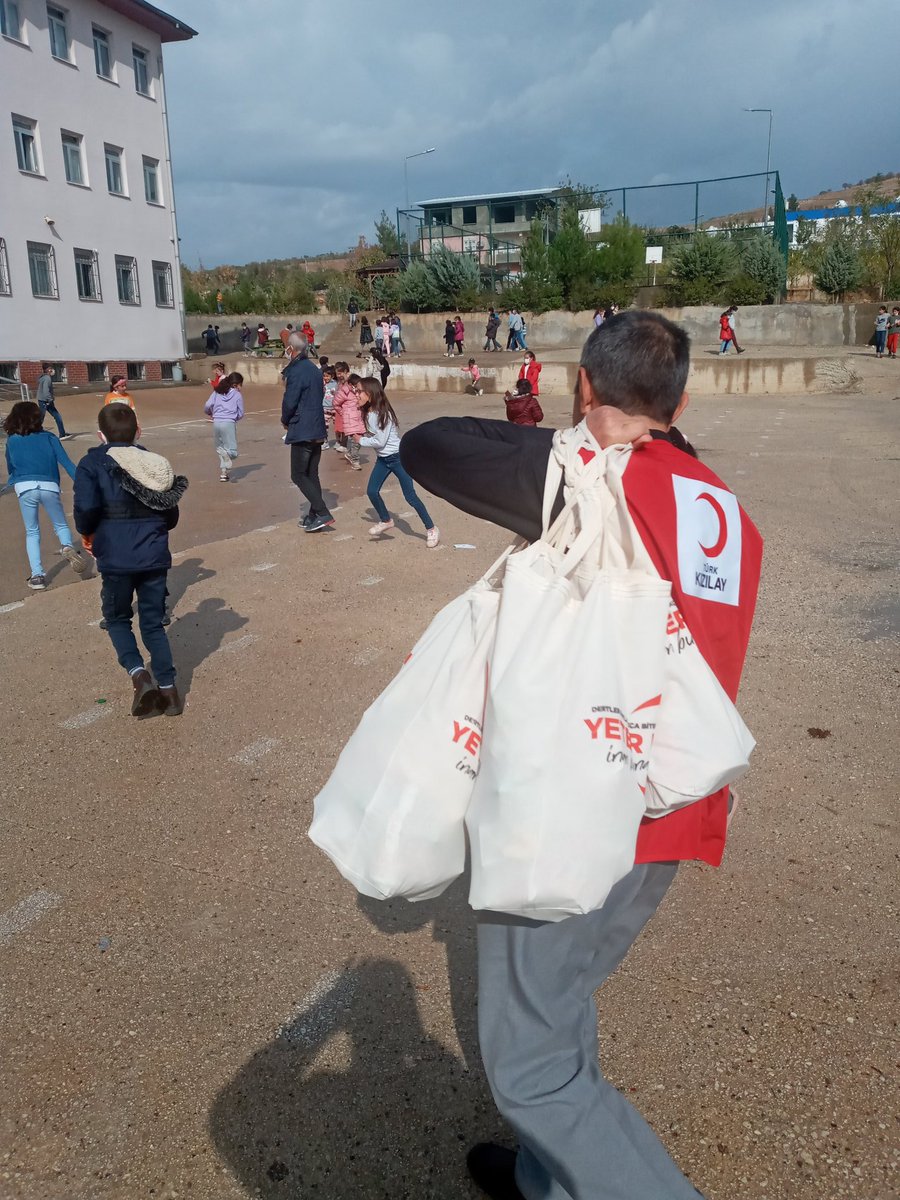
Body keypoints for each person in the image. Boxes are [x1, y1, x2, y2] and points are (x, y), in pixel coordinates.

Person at [399, 310, 763, 1200]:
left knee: (535, 1071)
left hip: (585, 808)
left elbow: (432, 443)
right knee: (563, 1001)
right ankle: (545, 1179)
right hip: (678, 801)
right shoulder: (720, 502)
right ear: (678, 400)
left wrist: (571, 432)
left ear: (586, 387)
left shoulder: (592, 480)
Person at [74, 403, 187, 717]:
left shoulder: (92, 463)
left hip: (115, 556)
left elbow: (86, 508)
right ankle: (170, 691)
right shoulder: (154, 464)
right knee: (152, 624)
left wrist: (87, 533)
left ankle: (139, 675)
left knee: (117, 619)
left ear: (101, 435)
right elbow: (171, 514)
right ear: (138, 431)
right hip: (153, 554)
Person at [3, 400, 87, 591]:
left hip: (24, 486)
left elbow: (10, 466)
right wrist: (83, 483)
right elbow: (66, 463)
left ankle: (37, 575)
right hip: (49, 485)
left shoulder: (13, 440)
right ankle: (67, 545)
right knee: (60, 523)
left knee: (32, 531)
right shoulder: (50, 438)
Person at [354, 377, 439, 548]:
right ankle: (386, 520)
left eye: (359, 391)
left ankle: (431, 528)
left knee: (410, 497)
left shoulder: (382, 414)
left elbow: (380, 441)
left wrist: (360, 440)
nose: (356, 394)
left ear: (369, 394)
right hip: (383, 460)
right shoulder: (369, 412)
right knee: (372, 491)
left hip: (398, 458)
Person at [281, 331, 333, 531]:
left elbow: (290, 401)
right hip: (317, 426)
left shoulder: (296, 370)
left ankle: (322, 511)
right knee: (312, 474)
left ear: (291, 349)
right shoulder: (314, 369)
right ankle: (314, 516)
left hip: (303, 428)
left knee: (298, 474)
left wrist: (285, 420)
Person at [204, 371, 244, 482]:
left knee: (221, 448)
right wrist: (234, 418)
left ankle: (223, 472)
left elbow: (208, 405)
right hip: (229, 423)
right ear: (236, 384)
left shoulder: (217, 392)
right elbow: (241, 413)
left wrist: (210, 413)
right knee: (232, 451)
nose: (241, 388)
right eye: (241, 385)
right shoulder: (237, 394)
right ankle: (226, 458)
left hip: (216, 423)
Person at [337, 373, 366, 469]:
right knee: (355, 441)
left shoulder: (359, 392)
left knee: (360, 440)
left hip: (359, 418)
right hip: (350, 420)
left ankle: (350, 454)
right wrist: (343, 413)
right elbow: (336, 403)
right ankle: (355, 461)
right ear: (351, 384)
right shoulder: (344, 392)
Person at [36, 365, 70, 439]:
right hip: (46, 401)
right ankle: (62, 434)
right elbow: (45, 391)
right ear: (48, 370)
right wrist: (50, 399)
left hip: (42, 400)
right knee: (55, 416)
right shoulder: (47, 378)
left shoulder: (42, 377)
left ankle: (62, 433)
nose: (53, 370)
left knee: (43, 417)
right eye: (51, 368)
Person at [321, 365, 338, 449]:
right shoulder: (322, 384)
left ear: (332, 376)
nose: (325, 378)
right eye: (324, 376)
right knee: (324, 426)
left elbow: (339, 395)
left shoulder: (336, 384)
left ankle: (338, 442)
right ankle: (325, 442)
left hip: (335, 408)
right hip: (325, 407)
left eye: (327, 376)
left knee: (337, 427)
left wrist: (335, 394)